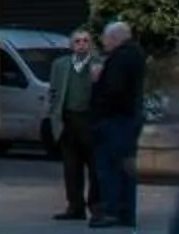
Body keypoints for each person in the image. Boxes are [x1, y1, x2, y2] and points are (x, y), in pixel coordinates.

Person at [86, 20, 144, 229]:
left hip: (114, 121)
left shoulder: (119, 58)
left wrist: (97, 82)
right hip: (128, 119)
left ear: (115, 38)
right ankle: (126, 212)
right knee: (125, 169)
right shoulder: (136, 54)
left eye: (105, 38)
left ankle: (111, 211)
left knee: (110, 168)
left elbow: (113, 91)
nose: (103, 42)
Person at [48, 28, 101, 222]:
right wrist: (54, 115)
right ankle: (75, 206)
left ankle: (96, 206)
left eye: (85, 41)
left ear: (90, 44)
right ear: (71, 45)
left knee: (95, 168)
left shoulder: (97, 64)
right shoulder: (60, 65)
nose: (81, 44)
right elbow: (54, 91)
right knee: (71, 168)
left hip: (89, 120)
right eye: (77, 41)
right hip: (68, 120)